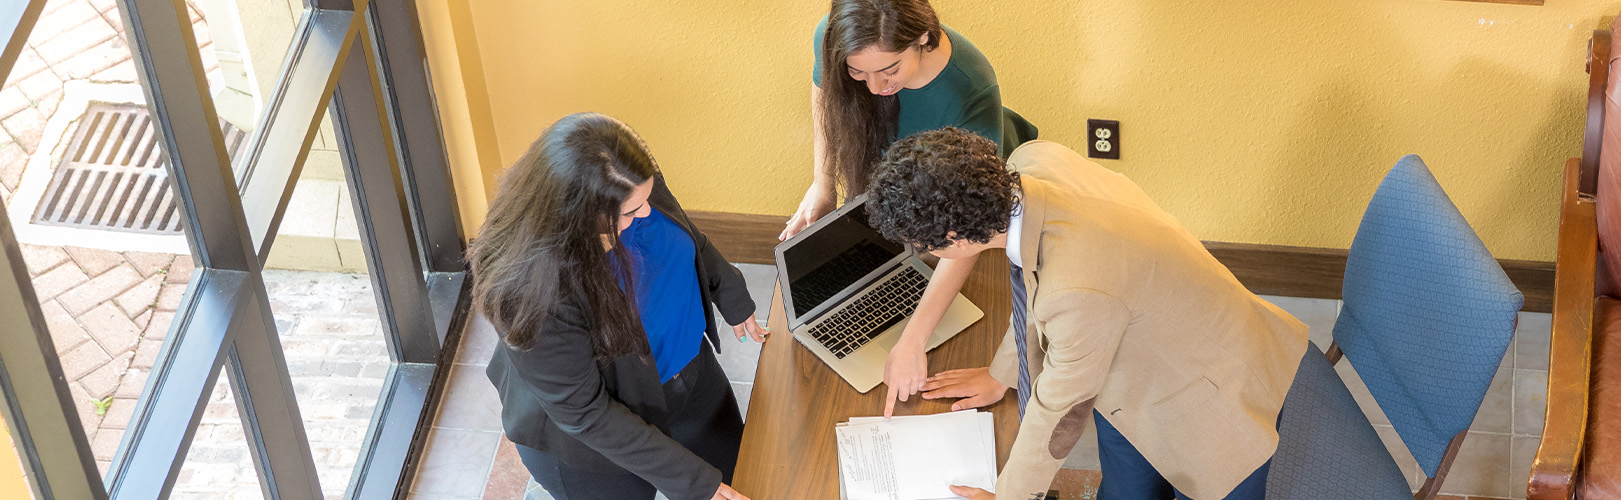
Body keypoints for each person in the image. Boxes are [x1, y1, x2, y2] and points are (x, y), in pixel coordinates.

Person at [865, 128, 1310, 500]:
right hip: (1136, 357)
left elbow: (1059, 413)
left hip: (1211, 395)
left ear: (956, 238)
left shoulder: (1077, 289)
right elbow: (1038, 292)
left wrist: (1010, 497)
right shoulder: (1034, 161)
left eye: (929, 247)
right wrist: (1003, 374)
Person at [472, 113, 768, 500]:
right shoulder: (532, 291)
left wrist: (727, 287)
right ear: (577, 215)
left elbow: (686, 233)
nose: (646, 212)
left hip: (691, 378)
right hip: (596, 446)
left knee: (746, 476)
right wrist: (697, 485)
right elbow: (587, 414)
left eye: (647, 198)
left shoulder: (628, 185)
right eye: (630, 212)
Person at [785, 0, 1039, 416]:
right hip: (908, 196)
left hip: (965, 215)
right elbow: (824, 93)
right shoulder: (834, 35)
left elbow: (963, 234)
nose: (872, 87)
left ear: (922, 38)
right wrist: (823, 181)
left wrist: (913, 340)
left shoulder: (968, 88)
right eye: (856, 72)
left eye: (889, 71)